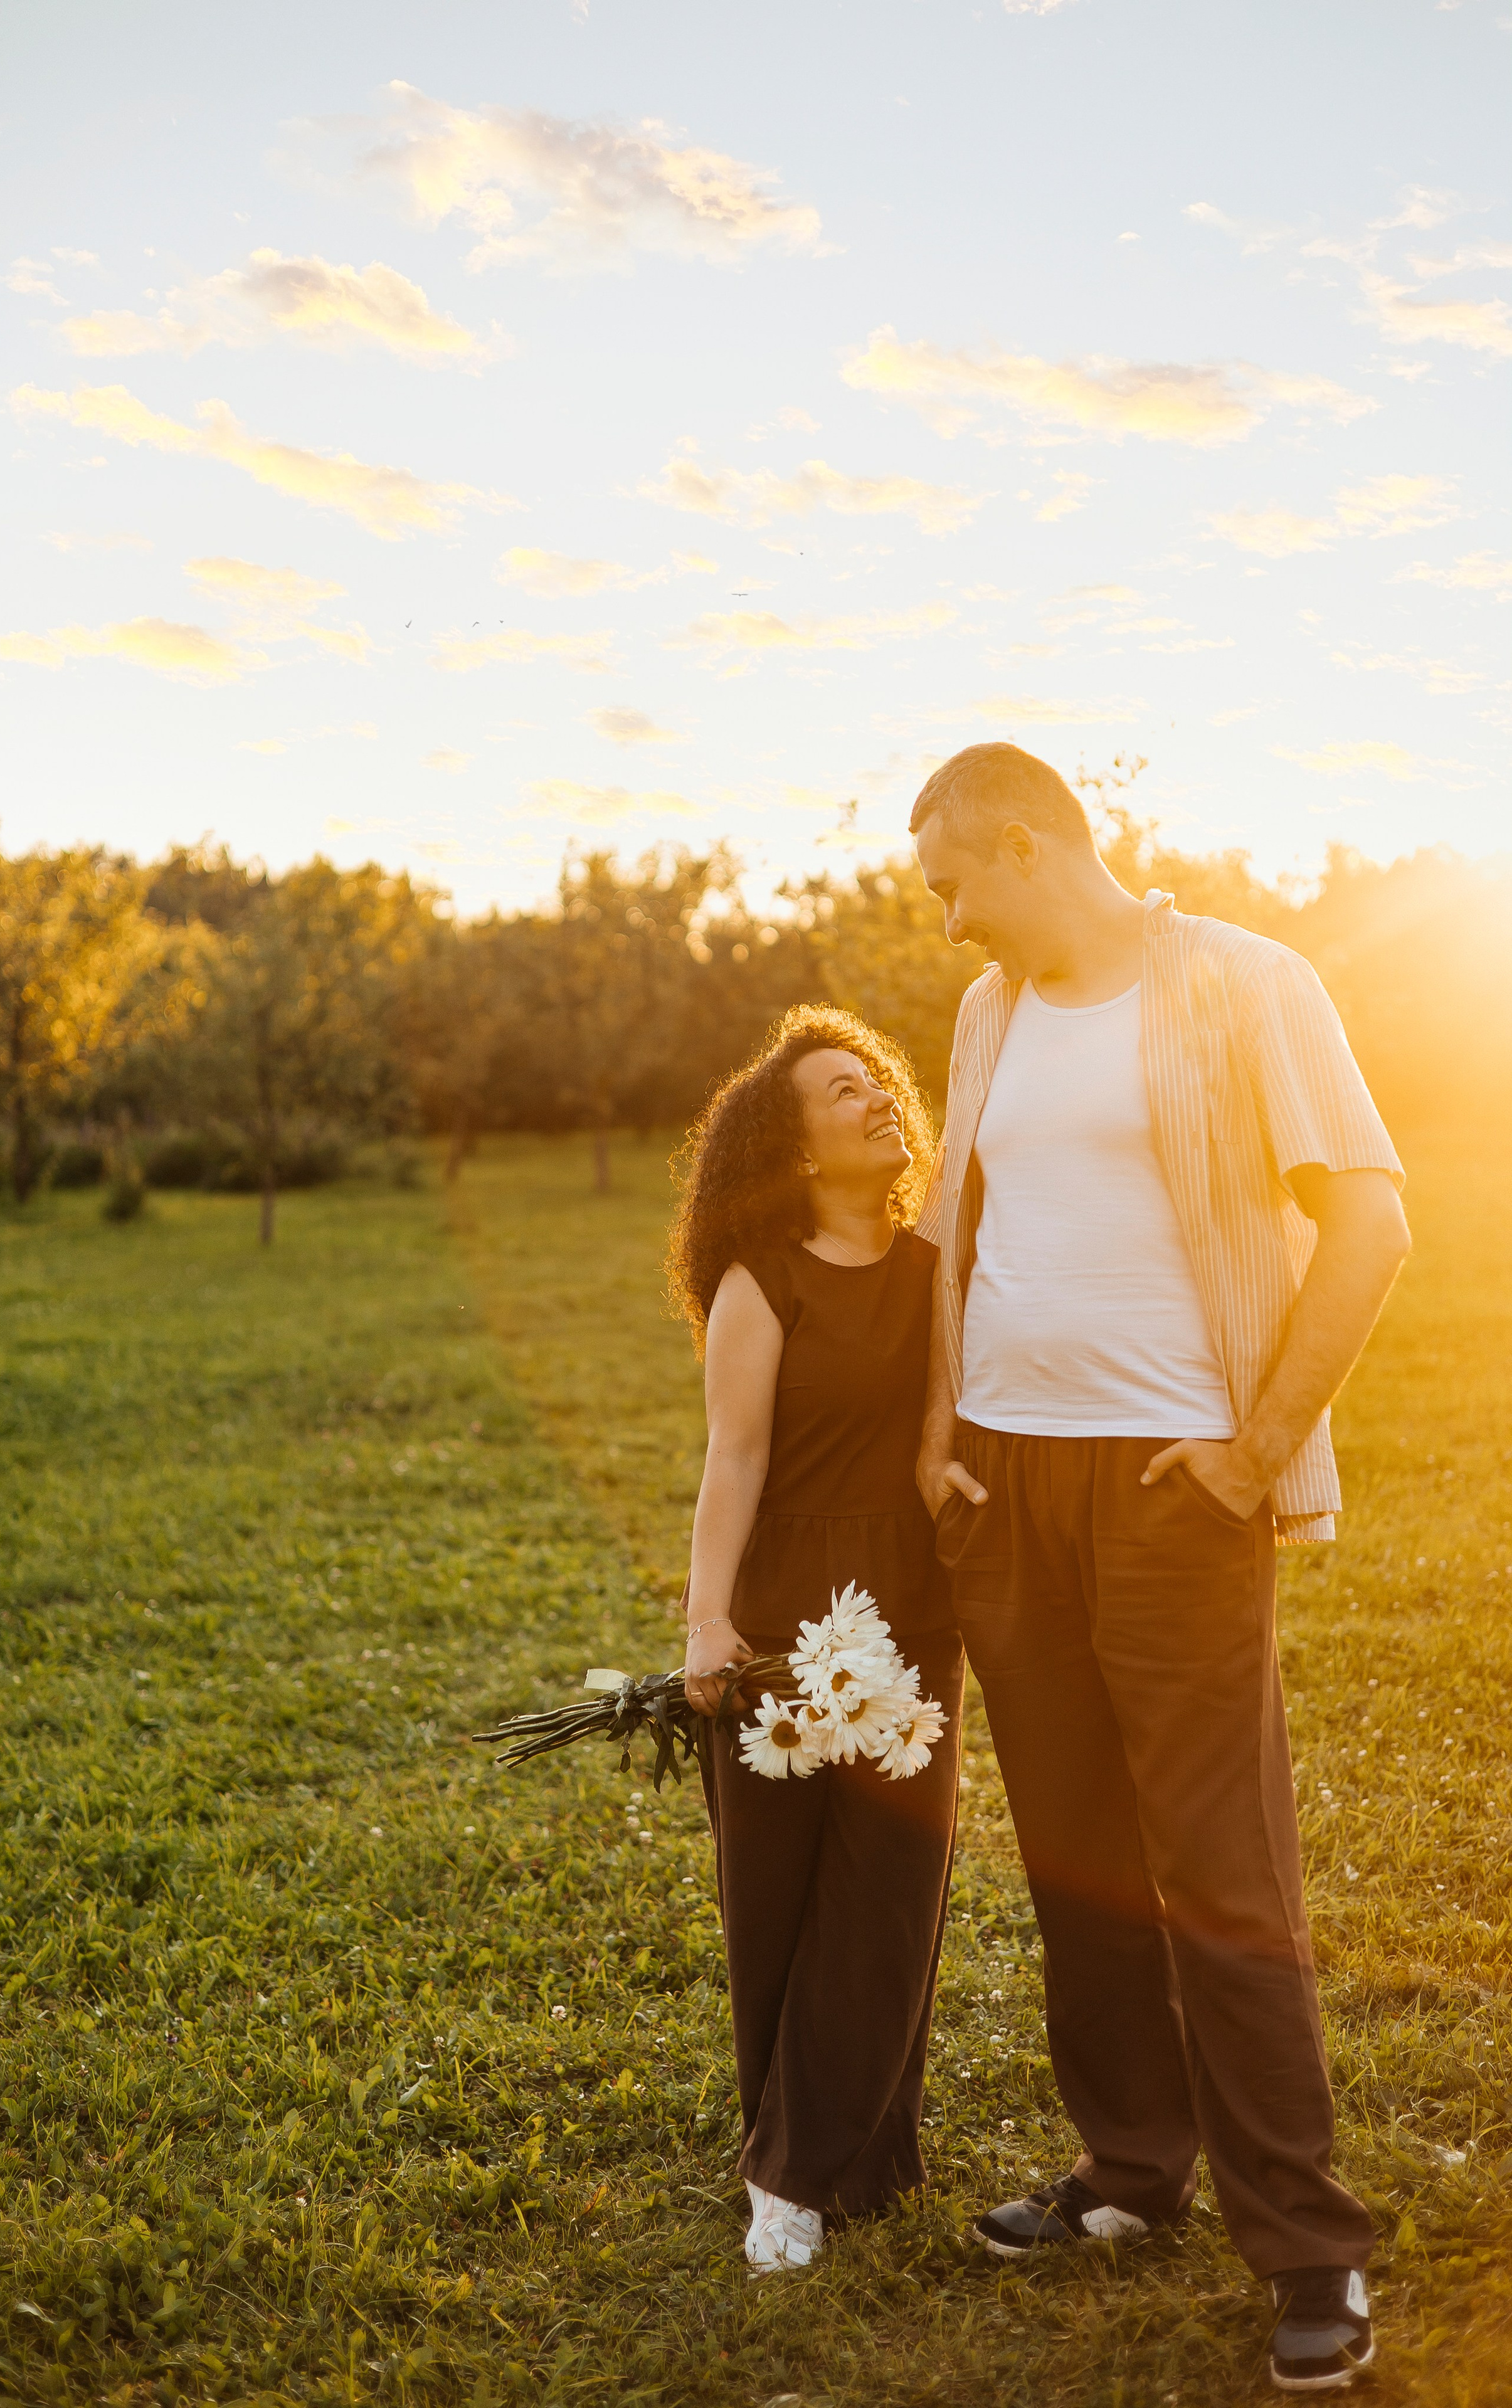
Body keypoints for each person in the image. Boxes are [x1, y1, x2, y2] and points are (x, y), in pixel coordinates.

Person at [911, 743, 1409, 2395]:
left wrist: (1257, 1453)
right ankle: (1131, 2170)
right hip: (1008, 1482)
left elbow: (1374, 1225)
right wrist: (937, 1430)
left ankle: (1310, 2245)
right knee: (1080, 1862)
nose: (945, 923)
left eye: (953, 886)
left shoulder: (1246, 984)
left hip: (1172, 1484)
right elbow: (954, 1243)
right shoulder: (988, 1014)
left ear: (1029, 844)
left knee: (1222, 1875)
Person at [667, 1005, 963, 2274]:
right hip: (783, 1609)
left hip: (905, 1602)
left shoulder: (932, 1270)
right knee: (777, 1898)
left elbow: (935, 1447)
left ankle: (829, 2163)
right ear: (795, 1152)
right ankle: (787, 2162)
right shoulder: (763, 1279)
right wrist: (706, 1622)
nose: (875, 1099)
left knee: (888, 1897)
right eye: (841, 1093)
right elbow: (730, 1459)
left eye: (878, 1081)